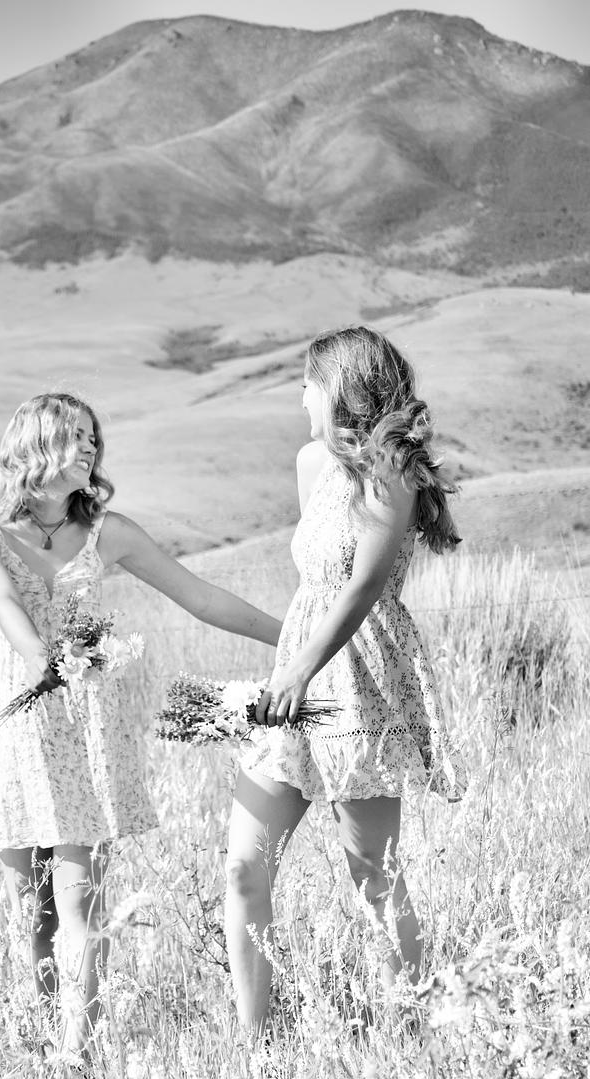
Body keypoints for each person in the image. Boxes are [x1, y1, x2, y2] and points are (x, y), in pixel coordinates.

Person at [0, 391, 281, 1067]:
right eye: (74, 434)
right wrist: (44, 661)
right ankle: (44, 1043)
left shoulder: (110, 532)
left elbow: (200, 597)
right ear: (35, 445)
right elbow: (8, 606)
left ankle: (79, 1056)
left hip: (86, 735)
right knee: (31, 913)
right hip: (15, 733)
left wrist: (296, 640)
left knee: (80, 902)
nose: (90, 446)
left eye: (93, 437)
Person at [225, 326, 467, 1034]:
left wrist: (302, 668)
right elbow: (316, 582)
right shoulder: (312, 464)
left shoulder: (392, 473)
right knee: (244, 866)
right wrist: (291, 667)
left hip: (360, 677)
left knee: (373, 873)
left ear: (339, 388)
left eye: (307, 385)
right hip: (299, 674)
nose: (300, 399)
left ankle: (409, 1033)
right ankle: (254, 1048)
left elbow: (362, 587)